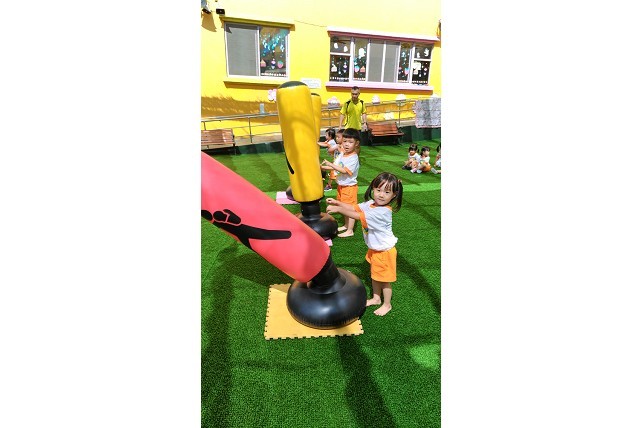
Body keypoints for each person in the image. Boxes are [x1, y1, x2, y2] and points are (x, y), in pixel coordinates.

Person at [325, 172, 403, 316]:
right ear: (373, 188)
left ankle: (387, 304)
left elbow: (357, 215)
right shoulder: (371, 204)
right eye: (378, 190)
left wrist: (338, 209)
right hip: (375, 249)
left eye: (387, 192)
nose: (381, 195)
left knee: (384, 280)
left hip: (384, 252)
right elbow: (354, 208)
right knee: (375, 275)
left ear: (394, 195)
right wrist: (338, 203)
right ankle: (376, 298)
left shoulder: (382, 212)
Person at [321, 127, 360, 237]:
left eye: (350, 142)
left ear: (356, 143)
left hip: (349, 188)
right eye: (345, 141)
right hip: (341, 186)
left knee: (350, 209)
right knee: (343, 207)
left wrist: (330, 164)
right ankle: (346, 225)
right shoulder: (344, 154)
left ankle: (350, 230)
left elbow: (344, 170)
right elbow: (337, 167)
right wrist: (323, 167)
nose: (346, 144)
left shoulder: (353, 157)